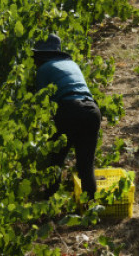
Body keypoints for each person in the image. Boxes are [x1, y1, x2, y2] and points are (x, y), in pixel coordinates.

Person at [33, 34, 101, 199]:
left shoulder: (44, 69)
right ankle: (91, 208)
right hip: (92, 110)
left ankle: (49, 200)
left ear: (41, 55)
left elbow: (40, 103)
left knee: (56, 158)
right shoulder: (71, 64)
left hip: (70, 108)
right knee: (86, 165)